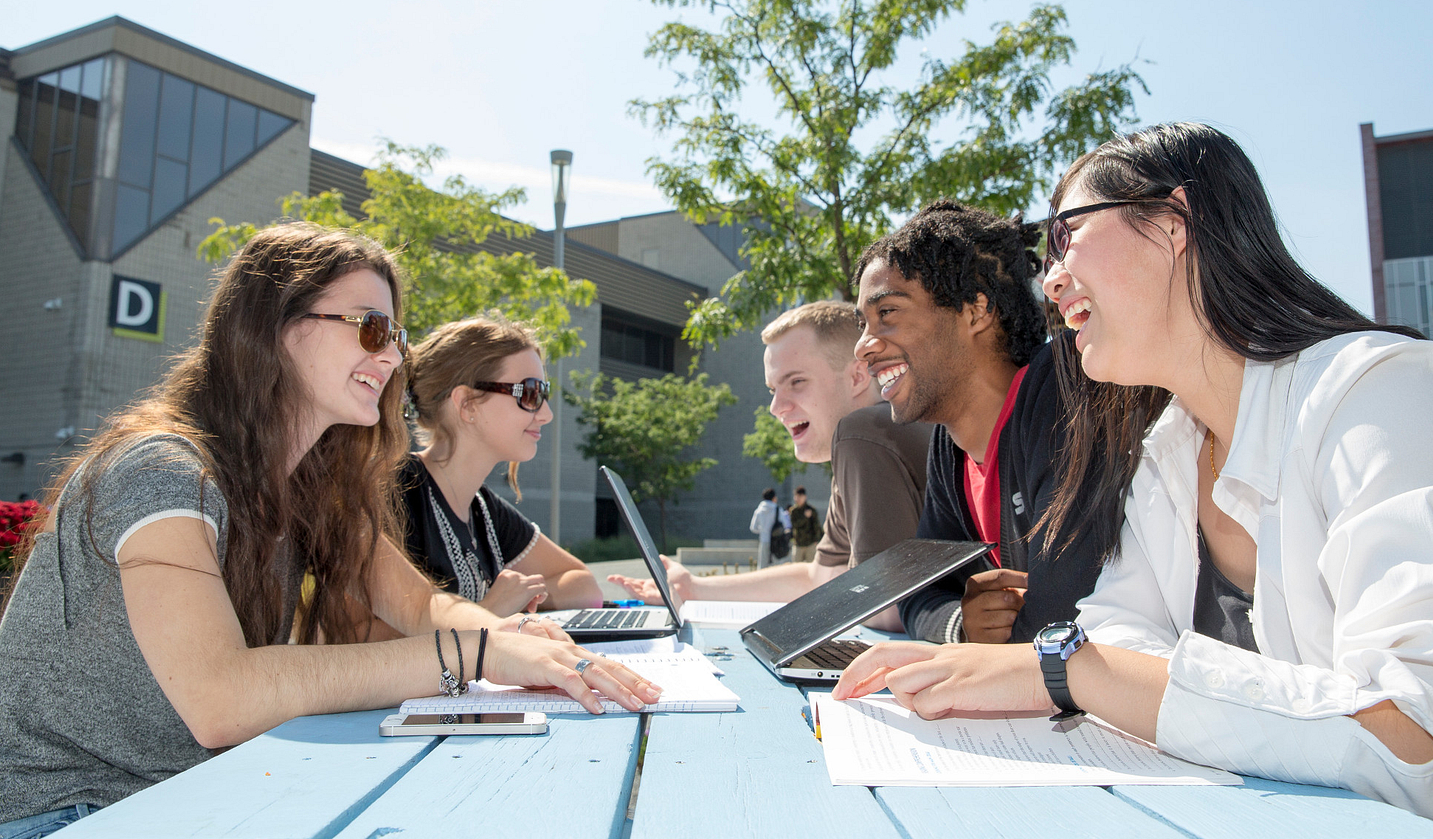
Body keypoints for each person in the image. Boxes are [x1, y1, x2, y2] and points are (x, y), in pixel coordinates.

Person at [834, 122, 1433, 835]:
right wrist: (1089, 666)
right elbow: (1114, 629)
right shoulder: (1169, 450)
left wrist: (1072, 671)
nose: (1049, 280)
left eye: (1067, 234)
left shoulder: (1386, 398)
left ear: (1173, 225)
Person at [0, 224, 659, 834]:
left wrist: (519, 640)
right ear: (276, 328)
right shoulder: (162, 470)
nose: (394, 355)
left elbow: (419, 605)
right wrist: (477, 655)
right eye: (372, 329)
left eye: (397, 336)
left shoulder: (312, 491)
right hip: (66, 812)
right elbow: (219, 698)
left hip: (185, 797)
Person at [852, 201, 1112, 644]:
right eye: (863, 323)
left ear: (976, 311)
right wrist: (963, 625)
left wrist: (999, 629)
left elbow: (1061, 618)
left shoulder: (1063, 392)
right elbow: (919, 593)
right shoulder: (949, 446)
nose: (863, 347)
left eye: (887, 314)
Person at [607, 301, 930, 632]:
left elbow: (888, 607)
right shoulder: (867, 438)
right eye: (774, 389)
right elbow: (818, 577)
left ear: (858, 376)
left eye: (796, 382)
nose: (776, 407)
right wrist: (693, 589)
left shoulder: (862, 433)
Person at [401, 316, 603, 617]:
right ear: (467, 404)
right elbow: (361, 636)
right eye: (531, 393)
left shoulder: (483, 509)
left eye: (543, 393)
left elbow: (585, 588)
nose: (546, 413)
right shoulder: (395, 491)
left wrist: (521, 598)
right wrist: (489, 613)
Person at [748, 488, 792, 568]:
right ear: (774, 498)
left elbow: (753, 528)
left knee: (762, 565)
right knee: (776, 567)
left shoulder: (759, 511)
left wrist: (763, 530)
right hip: (776, 541)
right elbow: (786, 525)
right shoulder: (778, 510)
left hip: (764, 540)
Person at [787, 486, 822, 563]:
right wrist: (805, 517)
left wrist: (817, 540)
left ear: (805, 497)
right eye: (796, 496)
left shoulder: (811, 510)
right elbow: (795, 525)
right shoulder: (793, 511)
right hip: (798, 543)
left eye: (800, 496)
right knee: (796, 567)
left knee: (811, 567)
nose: (798, 499)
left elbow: (817, 526)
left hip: (810, 543)